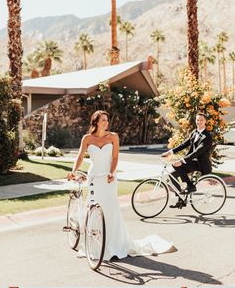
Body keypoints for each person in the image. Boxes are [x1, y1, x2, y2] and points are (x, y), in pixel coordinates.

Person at [68, 109, 177, 261]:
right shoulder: (87, 138)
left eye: (107, 120)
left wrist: (112, 172)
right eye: (103, 120)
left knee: (110, 208)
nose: (106, 123)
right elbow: (80, 156)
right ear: (96, 122)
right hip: (94, 178)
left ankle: (114, 244)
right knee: (94, 208)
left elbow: (114, 157)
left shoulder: (113, 137)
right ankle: (95, 243)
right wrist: (74, 171)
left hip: (108, 177)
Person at [165, 110, 213, 208]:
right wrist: (170, 152)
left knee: (177, 165)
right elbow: (184, 144)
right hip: (192, 162)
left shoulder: (207, 136)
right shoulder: (194, 132)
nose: (199, 122)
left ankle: (190, 185)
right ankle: (181, 200)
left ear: (205, 121)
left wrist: (182, 160)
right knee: (172, 176)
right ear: (195, 121)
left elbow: (197, 152)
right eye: (197, 120)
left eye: (201, 120)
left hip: (201, 164)